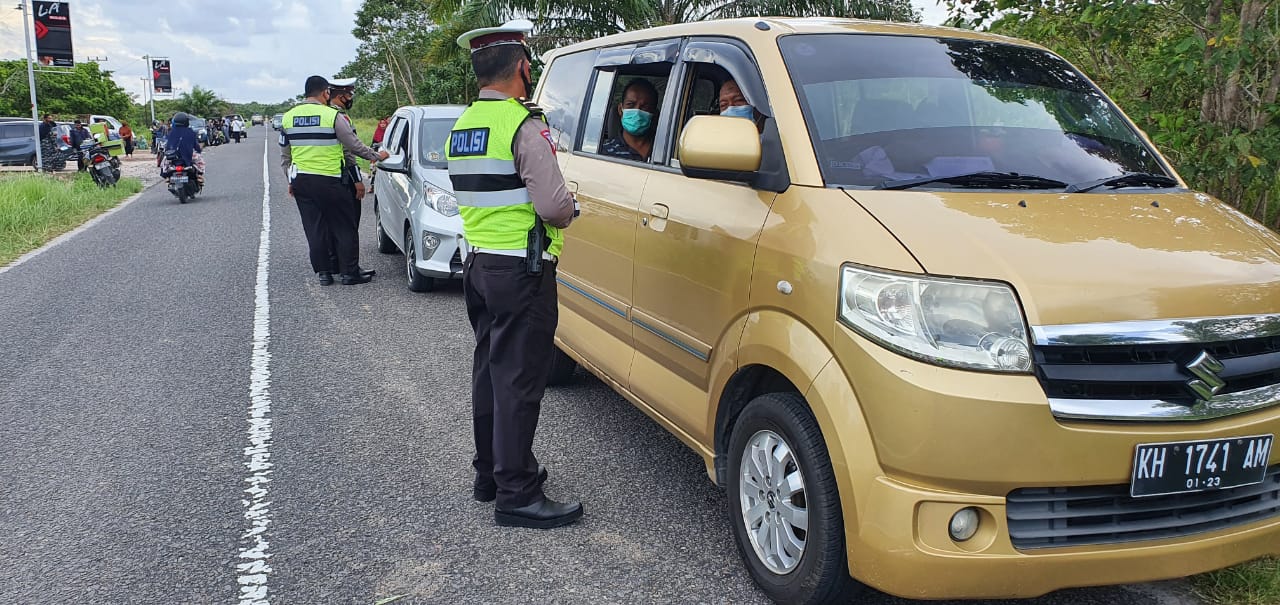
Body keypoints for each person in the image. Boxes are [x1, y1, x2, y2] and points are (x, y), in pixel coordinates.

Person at [447, 19, 581, 529]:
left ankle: (491, 476)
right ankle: (518, 495)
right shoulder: (523, 126)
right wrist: (573, 208)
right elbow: (552, 207)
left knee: (489, 371)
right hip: (521, 272)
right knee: (519, 382)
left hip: (479, 265)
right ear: (522, 68)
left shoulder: (465, 126)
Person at [280, 75, 387, 286]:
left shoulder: (288, 117)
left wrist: (291, 181)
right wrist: (376, 156)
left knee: (314, 229)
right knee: (344, 226)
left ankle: (324, 274)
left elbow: (285, 157)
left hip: (302, 181)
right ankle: (349, 274)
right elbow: (353, 147)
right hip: (330, 180)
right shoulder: (332, 116)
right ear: (325, 93)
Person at [601, 78, 658, 162]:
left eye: (645, 107)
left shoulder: (666, 149)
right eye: (630, 104)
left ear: (654, 113)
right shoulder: (605, 152)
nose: (637, 111)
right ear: (620, 109)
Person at [165, 112, 203, 183]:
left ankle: (167, 176)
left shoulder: (172, 132)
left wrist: (167, 153)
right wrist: (199, 151)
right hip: (188, 156)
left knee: (165, 162)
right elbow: (196, 146)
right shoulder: (190, 132)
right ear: (186, 122)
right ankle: (199, 176)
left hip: (174, 156)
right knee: (201, 162)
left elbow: (168, 146)